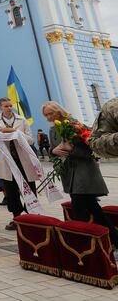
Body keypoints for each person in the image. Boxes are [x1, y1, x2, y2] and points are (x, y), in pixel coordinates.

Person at [44, 101, 118, 247]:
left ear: (58, 111)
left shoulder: (75, 125)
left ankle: (82, 246)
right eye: (46, 115)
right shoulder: (53, 130)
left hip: (84, 174)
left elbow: (91, 150)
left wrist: (70, 150)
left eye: (51, 113)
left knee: (79, 212)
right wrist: (54, 151)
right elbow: (53, 151)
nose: (48, 117)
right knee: (95, 212)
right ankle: (112, 240)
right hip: (70, 175)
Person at [0, 98, 36, 230]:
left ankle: (32, 216)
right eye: (6, 106)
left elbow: (31, 140)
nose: (9, 108)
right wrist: (3, 135)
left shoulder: (22, 120)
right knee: (11, 190)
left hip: (23, 160)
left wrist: (16, 133)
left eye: (11, 106)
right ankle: (17, 217)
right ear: (0, 107)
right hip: (7, 161)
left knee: (29, 187)